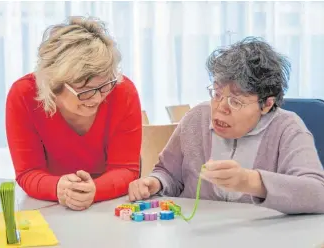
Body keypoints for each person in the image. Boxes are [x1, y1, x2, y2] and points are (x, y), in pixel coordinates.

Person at [128, 37, 324, 214]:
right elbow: (168, 173)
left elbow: (317, 194)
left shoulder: (287, 128)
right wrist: (154, 182)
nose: (220, 108)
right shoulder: (197, 118)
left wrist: (250, 182)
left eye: (236, 102)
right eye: (217, 94)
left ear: (266, 104)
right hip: (196, 234)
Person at [6, 16, 142, 211]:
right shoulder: (23, 95)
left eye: (104, 86)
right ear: (54, 85)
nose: (97, 99)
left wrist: (94, 190)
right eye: (86, 91)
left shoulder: (122, 91)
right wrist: (58, 188)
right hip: (50, 209)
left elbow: (126, 169)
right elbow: (28, 172)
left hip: (109, 207)